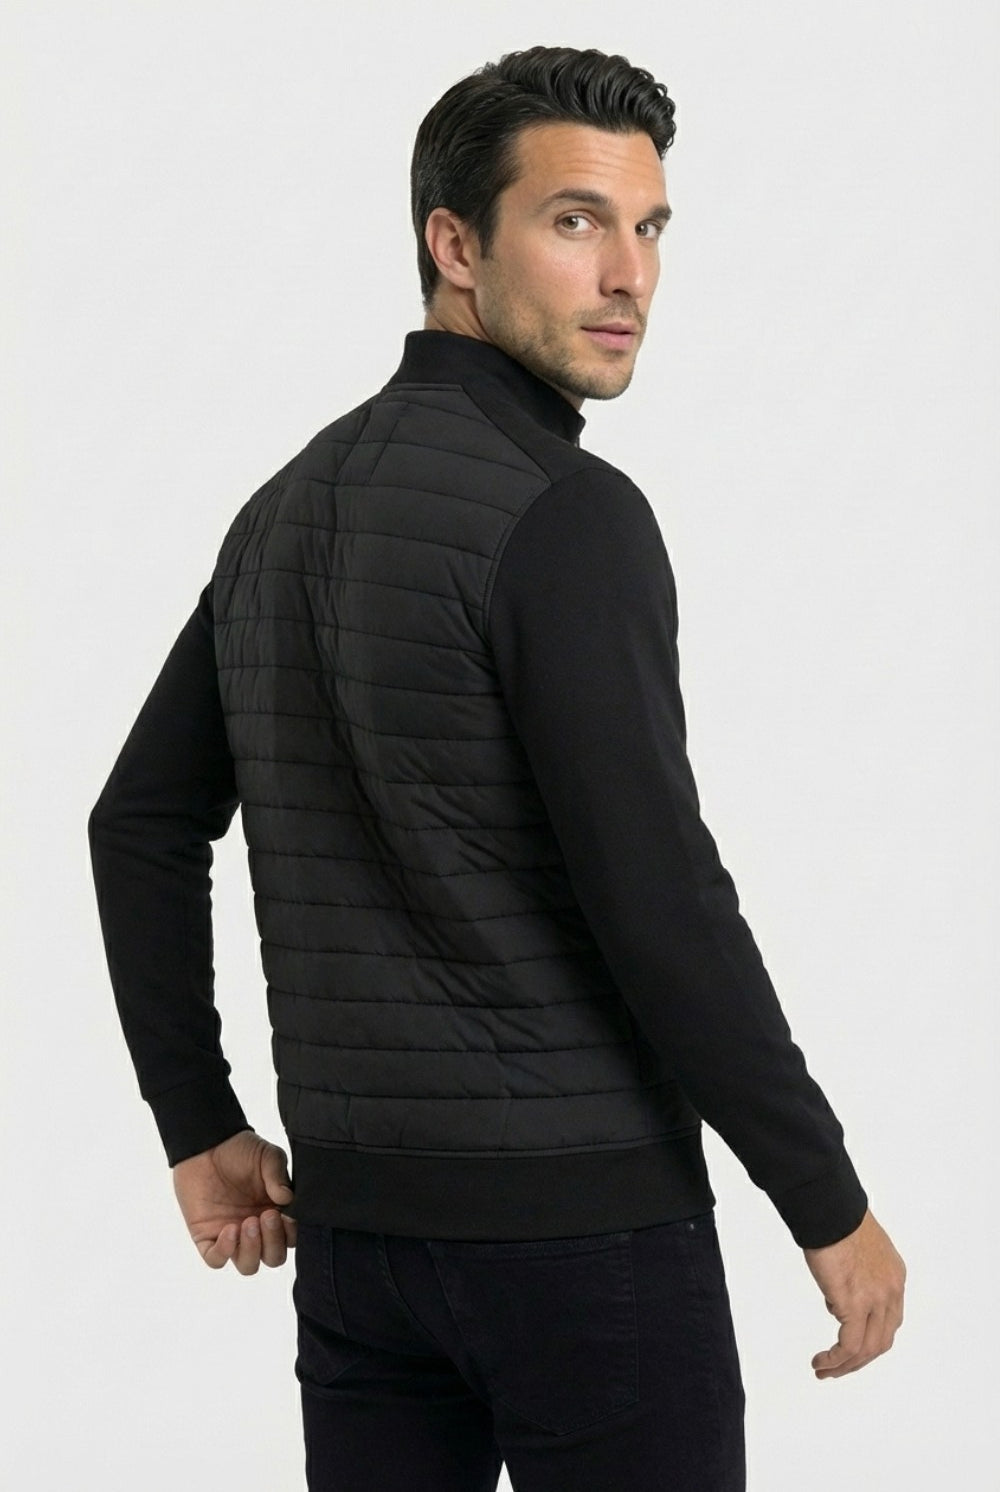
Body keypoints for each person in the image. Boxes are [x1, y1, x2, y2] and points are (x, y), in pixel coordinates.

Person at [88, 43, 906, 1492]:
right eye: (575, 221)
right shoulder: (569, 514)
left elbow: (138, 821)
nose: (629, 276)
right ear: (455, 246)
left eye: (649, 227)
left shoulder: (280, 512)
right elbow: (660, 900)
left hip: (360, 1258)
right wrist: (825, 1200)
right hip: (583, 1246)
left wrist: (197, 1124)